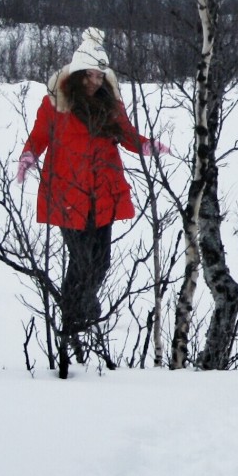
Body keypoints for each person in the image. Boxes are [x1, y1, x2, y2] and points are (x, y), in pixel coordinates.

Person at [17, 28, 163, 370]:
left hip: (103, 193)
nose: (96, 81)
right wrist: (27, 158)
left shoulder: (109, 105)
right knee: (80, 262)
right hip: (67, 192)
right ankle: (73, 323)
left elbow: (126, 134)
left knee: (101, 262)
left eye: (101, 75)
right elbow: (39, 137)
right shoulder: (57, 103)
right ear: (78, 73)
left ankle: (82, 312)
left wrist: (146, 145)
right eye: (92, 75)